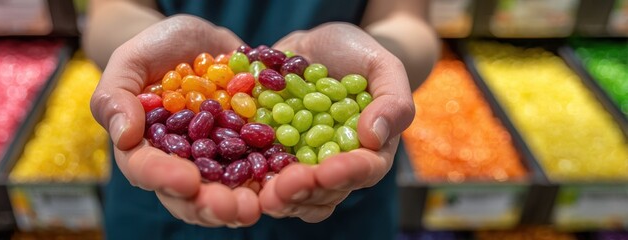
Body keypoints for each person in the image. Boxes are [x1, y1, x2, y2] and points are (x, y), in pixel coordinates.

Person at [83, 0, 439, 239]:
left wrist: (384, 60)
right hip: (161, 194)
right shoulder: (207, 109)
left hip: (344, 210)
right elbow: (116, 9)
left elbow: (406, 19)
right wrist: (135, 45)